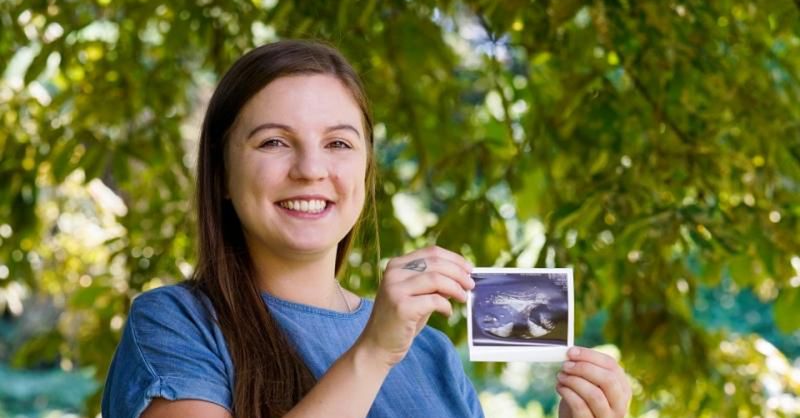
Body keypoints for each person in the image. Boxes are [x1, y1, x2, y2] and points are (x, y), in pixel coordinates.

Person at [101, 40, 631, 418]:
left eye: (338, 143)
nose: (311, 169)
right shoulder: (175, 323)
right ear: (221, 173)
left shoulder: (431, 355)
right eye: (274, 142)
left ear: (365, 170)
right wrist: (373, 353)